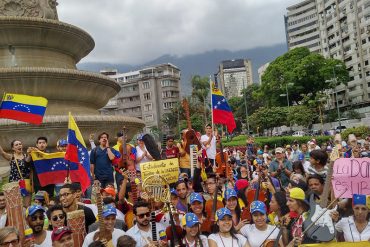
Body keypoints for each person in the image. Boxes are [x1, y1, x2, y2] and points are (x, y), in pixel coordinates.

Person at [0, 139, 31, 206]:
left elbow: (31, 170)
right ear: (13, 148)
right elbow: (2, 153)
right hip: (14, 185)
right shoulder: (11, 157)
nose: (19, 145)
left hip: (25, 184)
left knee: (27, 206)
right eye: (16, 145)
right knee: (16, 206)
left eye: (20, 144)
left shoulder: (27, 156)